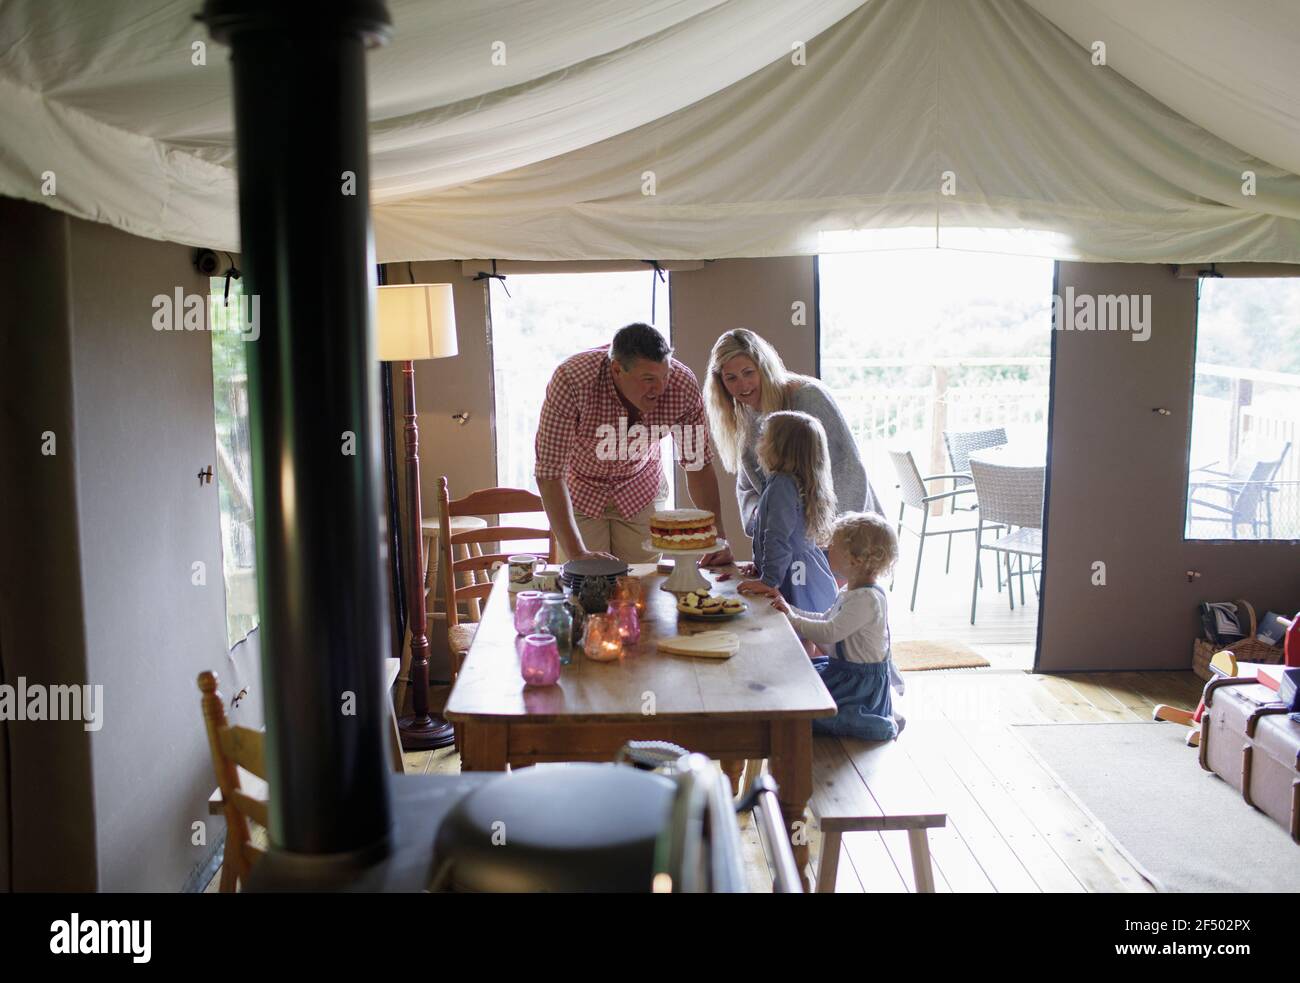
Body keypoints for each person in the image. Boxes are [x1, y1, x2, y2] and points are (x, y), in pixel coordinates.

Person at [534, 323, 735, 566]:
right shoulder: (573, 380)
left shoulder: (681, 386)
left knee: (642, 584)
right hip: (582, 491)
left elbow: (697, 464)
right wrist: (577, 553)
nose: (660, 389)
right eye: (648, 379)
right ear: (617, 369)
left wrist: (719, 537)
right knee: (587, 580)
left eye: (664, 376)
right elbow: (549, 473)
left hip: (640, 488)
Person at [705, 328, 882, 543]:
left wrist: (834, 543)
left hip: (847, 536)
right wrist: (761, 519)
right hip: (792, 545)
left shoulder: (809, 397)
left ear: (764, 368)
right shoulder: (745, 416)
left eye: (748, 373)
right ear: (720, 383)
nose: (742, 386)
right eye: (730, 378)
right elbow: (747, 487)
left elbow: (848, 469)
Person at [771, 511, 906, 742]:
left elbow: (830, 632)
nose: (827, 548)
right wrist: (790, 610)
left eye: (834, 545)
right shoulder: (851, 590)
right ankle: (884, 712)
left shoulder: (866, 600)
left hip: (858, 684)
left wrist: (793, 621)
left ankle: (881, 719)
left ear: (855, 559)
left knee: (809, 714)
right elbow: (825, 618)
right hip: (844, 671)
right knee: (801, 685)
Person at [736, 411, 839, 618]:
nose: (759, 442)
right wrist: (760, 566)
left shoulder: (782, 485)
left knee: (799, 625)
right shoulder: (786, 482)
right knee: (805, 625)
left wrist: (768, 580)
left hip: (796, 573)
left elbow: (777, 536)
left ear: (780, 447)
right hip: (799, 568)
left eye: (764, 437)